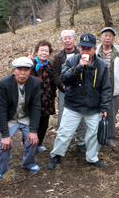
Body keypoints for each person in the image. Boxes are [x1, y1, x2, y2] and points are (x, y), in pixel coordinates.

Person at [47, 33, 112, 170]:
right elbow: (64, 78)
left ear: (95, 49)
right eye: (82, 48)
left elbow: (106, 88)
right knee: (64, 132)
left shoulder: (101, 65)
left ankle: (92, 157)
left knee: (93, 135)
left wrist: (104, 107)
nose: (85, 52)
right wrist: (79, 67)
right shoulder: (72, 61)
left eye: (88, 49)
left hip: (93, 107)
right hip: (73, 105)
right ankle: (57, 155)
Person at [0, 57, 41, 182]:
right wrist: (5, 135)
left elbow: (36, 107)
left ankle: (28, 163)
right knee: (4, 144)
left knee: (32, 140)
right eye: (19, 69)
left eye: (26, 70)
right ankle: (0, 169)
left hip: (25, 117)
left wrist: (34, 130)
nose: (23, 73)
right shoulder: (4, 83)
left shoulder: (35, 83)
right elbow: (1, 110)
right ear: (14, 70)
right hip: (11, 118)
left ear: (30, 71)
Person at [52, 30, 86, 152]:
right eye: (65, 38)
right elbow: (55, 74)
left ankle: (80, 141)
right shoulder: (58, 57)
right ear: (62, 41)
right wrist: (63, 86)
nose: (67, 40)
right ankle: (62, 143)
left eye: (69, 38)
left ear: (74, 40)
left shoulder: (82, 54)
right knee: (62, 116)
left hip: (79, 91)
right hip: (64, 91)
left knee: (82, 117)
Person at [96, 27, 119, 147]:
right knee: (97, 112)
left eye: (110, 36)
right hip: (97, 86)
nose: (107, 38)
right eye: (105, 35)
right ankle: (97, 136)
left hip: (113, 85)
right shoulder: (96, 51)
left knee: (111, 112)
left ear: (113, 38)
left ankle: (110, 136)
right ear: (101, 37)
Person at [30, 40, 56, 152]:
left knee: (44, 124)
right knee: (32, 124)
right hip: (34, 101)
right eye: (41, 50)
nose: (44, 53)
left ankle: (39, 143)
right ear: (36, 52)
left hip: (47, 101)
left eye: (46, 50)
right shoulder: (31, 64)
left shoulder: (50, 66)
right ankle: (30, 145)